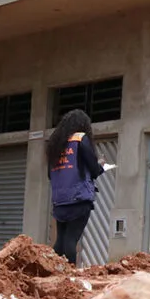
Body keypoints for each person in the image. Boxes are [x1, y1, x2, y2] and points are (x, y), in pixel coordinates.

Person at [46, 109, 105, 265]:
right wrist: (100, 166)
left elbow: (49, 174)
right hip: (78, 198)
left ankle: (54, 271)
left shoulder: (56, 143)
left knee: (60, 241)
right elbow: (93, 169)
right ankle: (70, 276)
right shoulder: (80, 139)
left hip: (60, 200)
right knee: (71, 240)